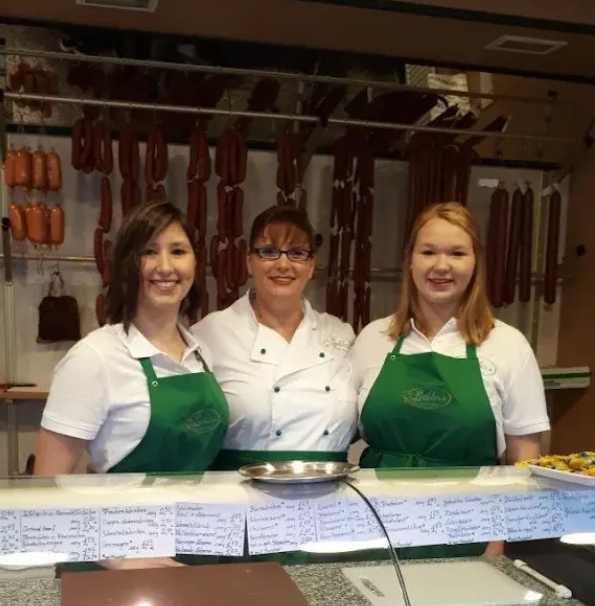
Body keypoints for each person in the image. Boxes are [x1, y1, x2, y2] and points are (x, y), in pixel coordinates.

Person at [33, 200, 229, 569]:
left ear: (194, 264)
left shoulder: (201, 353)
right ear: (128, 264)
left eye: (178, 251)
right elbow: (43, 491)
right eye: (149, 252)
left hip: (196, 552)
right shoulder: (94, 358)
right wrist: (121, 561)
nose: (165, 267)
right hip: (118, 564)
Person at [352, 202, 550, 560]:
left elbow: (524, 460)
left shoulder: (507, 345)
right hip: (374, 524)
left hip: (469, 527)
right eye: (428, 252)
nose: (441, 266)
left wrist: (499, 540)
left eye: (457, 253)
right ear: (410, 261)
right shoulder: (373, 338)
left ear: (475, 263)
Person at [193, 204, 358, 470]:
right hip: (238, 487)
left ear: (311, 265)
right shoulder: (209, 334)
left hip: (330, 488)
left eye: (297, 253)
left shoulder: (341, 334)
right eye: (269, 252)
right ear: (249, 262)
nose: (283, 264)